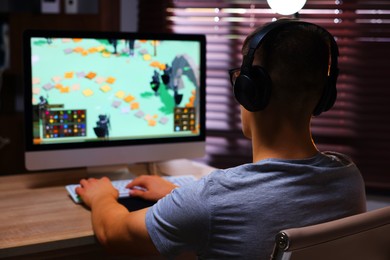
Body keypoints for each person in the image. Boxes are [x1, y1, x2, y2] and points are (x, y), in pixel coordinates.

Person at [76, 19, 366, 259]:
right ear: (324, 96)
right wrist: (174, 196)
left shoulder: (211, 199)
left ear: (249, 90)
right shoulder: (348, 178)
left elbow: (113, 234)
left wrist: (101, 196)